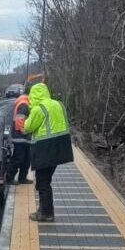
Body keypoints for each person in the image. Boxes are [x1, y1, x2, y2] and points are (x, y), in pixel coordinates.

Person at [22, 82, 74, 222]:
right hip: (61, 147)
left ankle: (46, 213)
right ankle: (45, 210)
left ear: (33, 95)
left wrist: (24, 123)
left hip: (45, 149)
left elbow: (28, 127)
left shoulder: (39, 109)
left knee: (42, 182)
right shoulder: (59, 105)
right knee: (46, 179)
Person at [8, 85, 32, 184]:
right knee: (18, 158)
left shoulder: (24, 101)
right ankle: (10, 178)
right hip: (20, 136)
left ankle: (22, 178)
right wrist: (24, 132)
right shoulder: (24, 103)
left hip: (23, 137)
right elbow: (19, 119)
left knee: (26, 159)